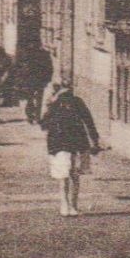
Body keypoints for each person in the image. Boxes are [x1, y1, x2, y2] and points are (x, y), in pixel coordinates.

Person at [42, 83, 102, 216]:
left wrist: (95, 140)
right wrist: (49, 105)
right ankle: (65, 204)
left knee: (73, 174)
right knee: (65, 174)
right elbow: (44, 124)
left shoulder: (77, 102)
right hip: (60, 143)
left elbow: (88, 120)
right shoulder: (54, 104)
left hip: (75, 142)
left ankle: (73, 205)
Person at [14, 42, 55, 124]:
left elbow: (18, 67)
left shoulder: (25, 54)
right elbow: (49, 68)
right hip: (40, 80)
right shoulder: (44, 54)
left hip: (29, 80)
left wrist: (20, 79)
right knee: (38, 98)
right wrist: (47, 79)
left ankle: (30, 116)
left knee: (30, 98)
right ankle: (37, 117)